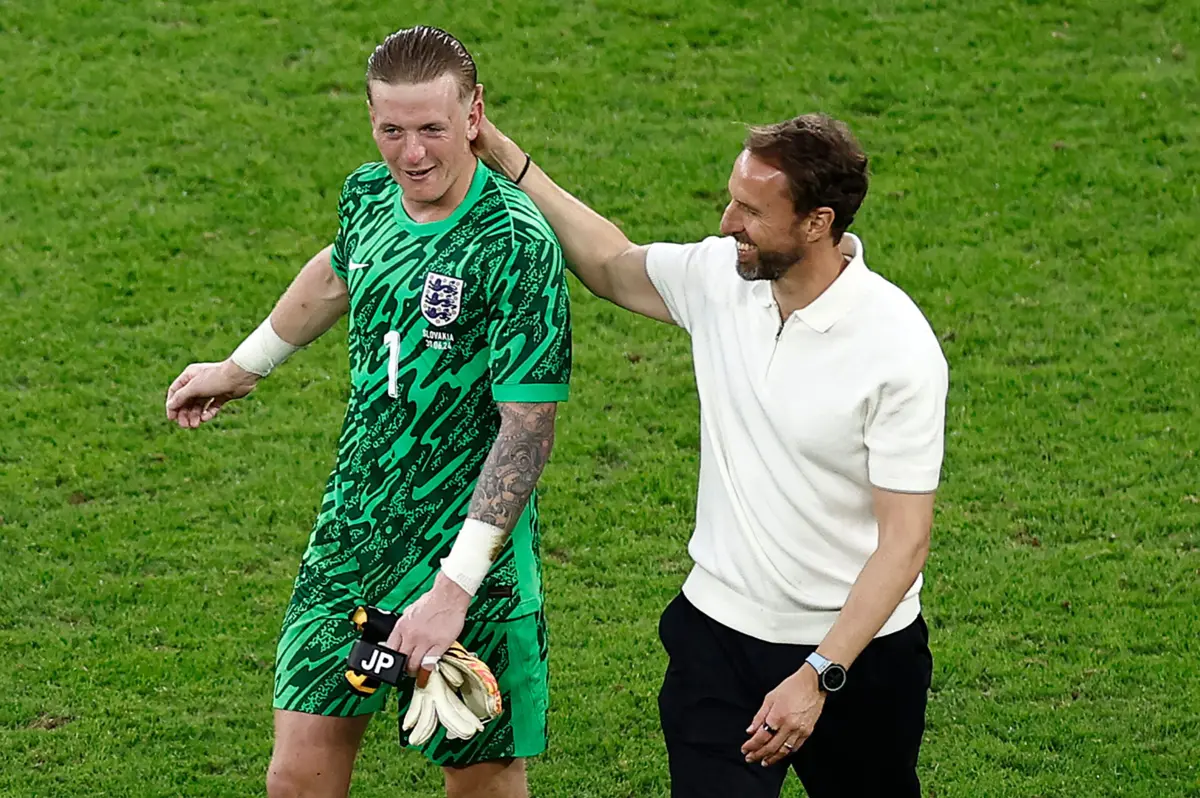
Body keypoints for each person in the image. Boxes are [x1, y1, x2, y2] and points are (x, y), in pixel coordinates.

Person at [472, 111, 947, 797]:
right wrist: (506, 158)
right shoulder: (722, 279)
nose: (727, 223)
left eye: (752, 211)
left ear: (818, 222)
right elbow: (610, 263)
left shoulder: (897, 349)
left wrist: (818, 675)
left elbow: (905, 543)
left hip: (859, 661)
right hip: (718, 641)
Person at [164, 26, 570, 798]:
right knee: (296, 778)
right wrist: (243, 367)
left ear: (475, 114)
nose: (411, 153)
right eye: (391, 130)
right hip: (350, 538)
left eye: (431, 130)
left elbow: (527, 431)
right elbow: (340, 269)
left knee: (481, 781)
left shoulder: (515, 243)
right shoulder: (369, 193)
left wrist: (452, 591)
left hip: (468, 559)